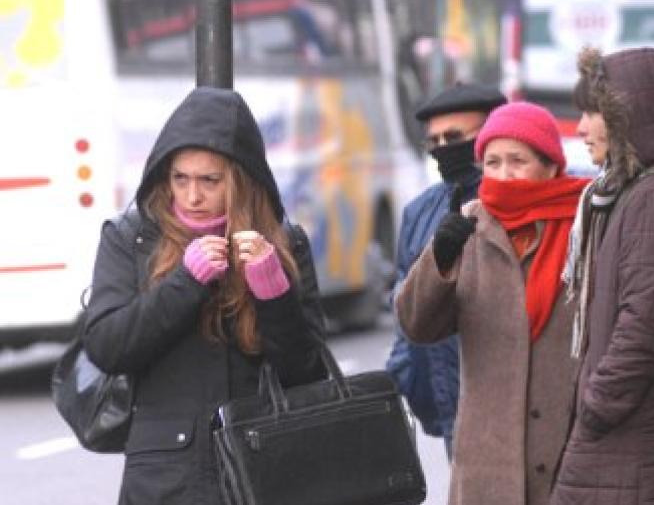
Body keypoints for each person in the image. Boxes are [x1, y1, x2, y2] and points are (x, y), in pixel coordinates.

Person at [81, 87, 327, 505]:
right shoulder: (132, 238)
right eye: (180, 179)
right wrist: (185, 282)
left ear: (240, 181)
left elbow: (306, 372)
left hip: (263, 465)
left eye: (210, 181)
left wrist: (273, 291)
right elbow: (107, 347)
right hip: (165, 477)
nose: (192, 196)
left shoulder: (284, 242)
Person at [395, 101, 590, 505]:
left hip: (569, 449)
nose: (504, 174)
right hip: (488, 464)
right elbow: (416, 324)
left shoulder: (586, 224)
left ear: (551, 165)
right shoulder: (471, 225)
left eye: (517, 161)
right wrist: (439, 258)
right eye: (493, 162)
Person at [550, 47, 654, 504]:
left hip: (630, 443)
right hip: (635, 441)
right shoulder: (635, 192)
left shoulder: (651, 198)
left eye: (592, 112)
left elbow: (642, 325)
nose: (579, 128)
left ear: (628, 116)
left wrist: (595, 407)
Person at [386, 82, 506, 457]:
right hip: (452, 412)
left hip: (512, 407)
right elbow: (405, 310)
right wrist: (405, 381)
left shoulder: (511, 202)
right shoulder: (419, 213)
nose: (442, 149)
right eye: (433, 141)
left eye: (453, 137)